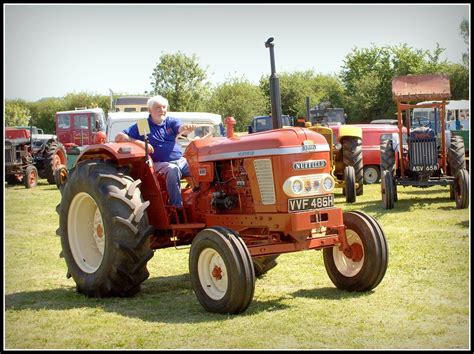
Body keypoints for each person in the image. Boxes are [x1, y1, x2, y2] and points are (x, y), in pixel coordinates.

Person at [115, 95, 196, 209]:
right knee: (173, 170)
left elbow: (180, 128)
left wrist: (186, 128)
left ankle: (201, 201)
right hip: (159, 163)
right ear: (150, 110)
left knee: (199, 168)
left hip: (180, 160)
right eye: (158, 107)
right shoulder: (144, 125)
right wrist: (140, 143)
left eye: (164, 107)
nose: (162, 110)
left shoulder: (170, 121)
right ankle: (177, 207)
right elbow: (119, 137)